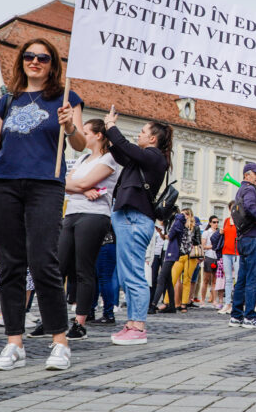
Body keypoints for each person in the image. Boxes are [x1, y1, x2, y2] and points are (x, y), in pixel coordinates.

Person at [0, 37, 84, 372]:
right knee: (10, 263)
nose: (35, 62)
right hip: (4, 183)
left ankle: (59, 341)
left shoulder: (66, 97)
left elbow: (76, 144)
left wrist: (69, 126)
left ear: (52, 64)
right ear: (21, 61)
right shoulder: (9, 100)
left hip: (45, 184)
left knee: (43, 260)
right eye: (29, 57)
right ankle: (14, 342)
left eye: (43, 58)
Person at [103, 106, 171, 345]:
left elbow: (126, 147)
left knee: (133, 274)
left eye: (142, 132)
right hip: (127, 216)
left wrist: (112, 127)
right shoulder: (141, 158)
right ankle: (132, 323)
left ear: (152, 138)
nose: (139, 135)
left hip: (135, 218)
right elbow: (121, 151)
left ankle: (139, 327)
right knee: (126, 274)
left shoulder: (155, 157)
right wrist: (107, 132)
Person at [58, 118, 120, 340]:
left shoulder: (110, 158)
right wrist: (83, 190)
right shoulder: (83, 158)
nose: (82, 136)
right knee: (59, 267)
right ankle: (53, 320)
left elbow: (78, 183)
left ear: (99, 135)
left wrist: (80, 187)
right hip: (73, 212)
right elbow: (64, 182)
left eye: (86, 132)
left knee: (84, 269)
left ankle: (79, 323)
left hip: (95, 216)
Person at [228, 162, 256, 329]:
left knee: (242, 280)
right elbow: (251, 207)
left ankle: (236, 316)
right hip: (254, 238)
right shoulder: (250, 189)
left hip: (243, 239)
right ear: (247, 175)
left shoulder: (240, 190)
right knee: (253, 279)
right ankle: (250, 317)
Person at [218, 201, 239, 315]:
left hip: (237, 253)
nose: (233, 211)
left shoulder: (240, 221)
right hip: (226, 252)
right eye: (231, 209)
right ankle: (227, 304)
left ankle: (236, 304)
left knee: (238, 278)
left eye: (235, 209)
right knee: (228, 279)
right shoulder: (226, 220)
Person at [201, 216, 220, 306]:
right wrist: (213, 246)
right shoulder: (206, 233)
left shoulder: (219, 232)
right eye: (214, 222)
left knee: (214, 281)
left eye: (217, 222)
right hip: (209, 256)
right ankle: (202, 299)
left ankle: (214, 300)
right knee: (205, 279)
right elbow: (203, 246)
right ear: (210, 223)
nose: (216, 224)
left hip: (216, 257)